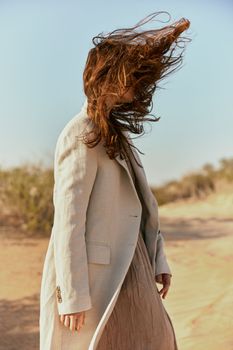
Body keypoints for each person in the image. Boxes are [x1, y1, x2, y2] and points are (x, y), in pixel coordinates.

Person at [39, 11, 191, 350]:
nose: (133, 85)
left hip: (132, 265)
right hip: (97, 277)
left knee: (156, 339)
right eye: (128, 76)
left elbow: (142, 206)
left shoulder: (116, 134)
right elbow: (69, 220)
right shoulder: (80, 133)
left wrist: (158, 259)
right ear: (107, 77)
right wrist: (72, 294)